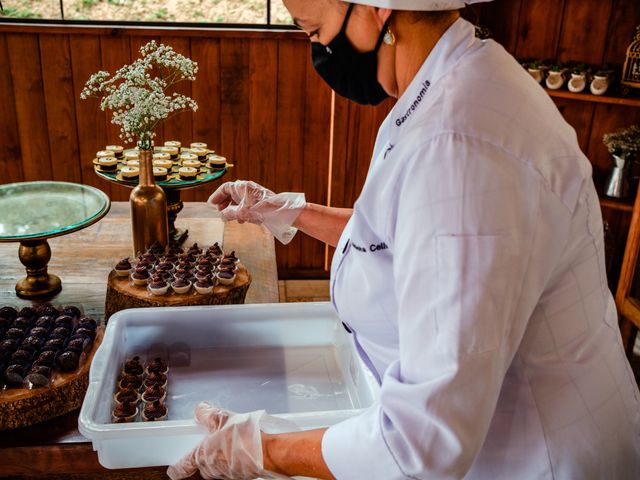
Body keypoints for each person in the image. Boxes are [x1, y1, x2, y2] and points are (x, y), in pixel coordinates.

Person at [168, 0, 640, 478]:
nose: (317, 51)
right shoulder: (453, 77)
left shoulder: (459, 145)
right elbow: (407, 234)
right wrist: (292, 211)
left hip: (538, 459)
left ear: (376, 10)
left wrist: (263, 450)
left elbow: (423, 443)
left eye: (313, 33)